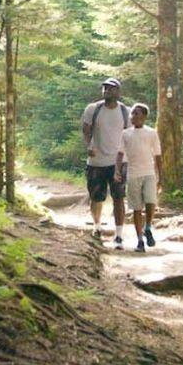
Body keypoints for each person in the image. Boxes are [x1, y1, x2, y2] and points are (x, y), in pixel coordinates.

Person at [81, 78, 130, 248]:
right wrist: (89, 146)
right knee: (96, 197)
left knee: (119, 197)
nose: (107, 90)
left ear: (118, 91)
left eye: (111, 88)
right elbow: (86, 130)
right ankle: (97, 227)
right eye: (105, 88)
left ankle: (119, 234)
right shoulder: (93, 109)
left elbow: (129, 135)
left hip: (118, 162)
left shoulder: (125, 111)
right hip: (96, 161)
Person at [116, 103, 162, 253]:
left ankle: (148, 227)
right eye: (132, 114)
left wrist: (160, 176)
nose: (133, 116)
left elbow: (158, 155)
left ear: (144, 116)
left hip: (149, 172)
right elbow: (120, 153)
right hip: (133, 173)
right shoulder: (126, 134)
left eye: (136, 114)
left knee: (150, 202)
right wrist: (117, 170)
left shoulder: (151, 133)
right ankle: (140, 241)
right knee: (136, 208)